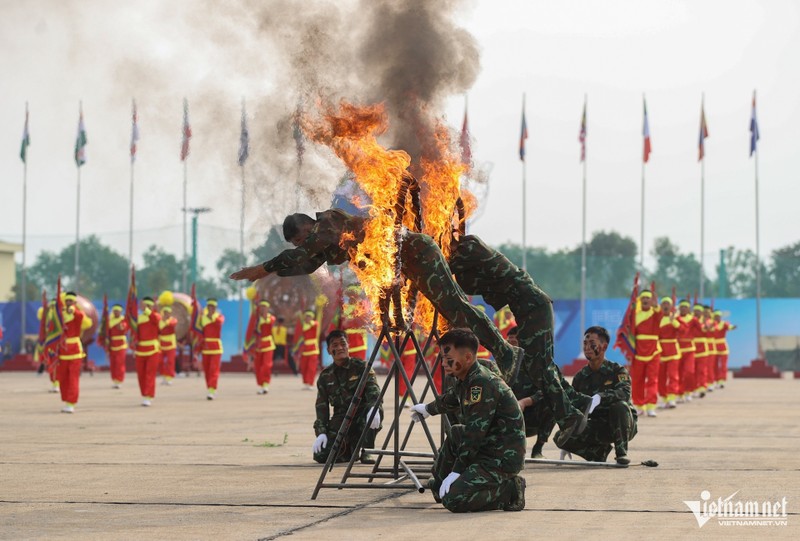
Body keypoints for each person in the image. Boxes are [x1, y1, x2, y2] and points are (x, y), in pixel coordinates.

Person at [228, 209, 524, 385]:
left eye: (301, 238)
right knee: (450, 312)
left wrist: (262, 268)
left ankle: (504, 350)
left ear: (307, 227)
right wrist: (269, 272)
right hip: (401, 266)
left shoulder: (328, 222)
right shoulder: (319, 243)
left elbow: (304, 253)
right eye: (298, 242)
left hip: (414, 252)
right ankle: (502, 351)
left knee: (456, 307)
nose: (303, 244)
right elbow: (305, 263)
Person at [447, 234, 591, 444]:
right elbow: (468, 284)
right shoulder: (473, 258)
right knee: (542, 366)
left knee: (538, 368)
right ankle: (578, 403)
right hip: (528, 311)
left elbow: (457, 269)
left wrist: (439, 260)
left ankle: (570, 417)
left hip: (533, 308)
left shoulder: (471, 246)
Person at [409, 329, 526, 513]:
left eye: (448, 359)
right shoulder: (465, 378)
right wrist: (427, 410)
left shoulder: (481, 384)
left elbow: (474, 434)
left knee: (454, 500)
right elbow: (451, 399)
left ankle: (510, 489)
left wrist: (457, 470)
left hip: (501, 455)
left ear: (468, 357)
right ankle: (442, 483)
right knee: (456, 433)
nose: (443, 363)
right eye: (442, 358)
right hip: (489, 444)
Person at [556, 327, 637, 465]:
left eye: (592, 343)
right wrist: (568, 436)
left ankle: (621, 452)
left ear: (604, 346)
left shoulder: (617, 371)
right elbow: (574, 406)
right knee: (560, 437)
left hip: (622, 424)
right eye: (585, 343)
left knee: (620, 406)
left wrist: (600, 397)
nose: (587, 347)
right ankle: (599, 453)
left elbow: (625, 393)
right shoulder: (581, 377)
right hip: (597, 425)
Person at [312, 330, 382, 465]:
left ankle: (366, 450)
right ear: (328, 350)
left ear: (348, 346)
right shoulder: (325, 376)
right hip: (341, 419)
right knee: (321, 455)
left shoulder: (362, 367)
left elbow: (374, 391)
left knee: (374, 410)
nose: (339, 348)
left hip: (362, 415)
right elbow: (321, 407)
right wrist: (321, 433)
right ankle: (352, 449)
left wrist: (374, 407)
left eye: (343, 344)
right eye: (335, 345)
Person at [508, 326, 555, 459]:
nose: (511, 347)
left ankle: (538, 448)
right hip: (508, 415)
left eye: (515, 342)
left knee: (551, 401)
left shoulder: (535, 364)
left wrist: (525, 401)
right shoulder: (503, 365)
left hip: (531, 416)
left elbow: (545, 390)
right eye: (509, 342)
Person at [57, 292, 92, 413]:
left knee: (73, 378)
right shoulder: (61, 315)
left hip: (75, 351)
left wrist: (73, 310)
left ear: (75, 303)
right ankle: (66, 400)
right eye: (67, 301)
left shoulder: (78, 314)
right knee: (63, 377)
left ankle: (71, 403)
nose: (68, 303)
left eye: (71, 301)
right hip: (63, 350)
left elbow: (80, 316)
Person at [631, 291, 661, 416]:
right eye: (643, 298)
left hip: (654, 350)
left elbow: (661, 313)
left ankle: (651, 406)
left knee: (652, 380)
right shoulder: (635, 315)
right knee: (637, 380)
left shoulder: (655, 313)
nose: (645, 300)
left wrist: (656, 305)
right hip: (638, 351)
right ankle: (639, 405)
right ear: (640, 300)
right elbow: (630, 333)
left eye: (648, 298)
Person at [130, 297, 161, 407]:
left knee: (150, 374)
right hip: (140, 350)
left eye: (149, 306)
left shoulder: (155, 316)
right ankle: (144, 394)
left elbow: (156, 320)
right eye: (145, 306)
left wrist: (147, 310)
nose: (146, 308)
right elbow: (134, 332)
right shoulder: (139, 318)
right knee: (141, 375)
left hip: (153, 349)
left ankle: (148, 396)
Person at [245, 300, 276, 394]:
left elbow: (269, 323)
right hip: (258, 346)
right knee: (258, 367)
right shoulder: (256, 320)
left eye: (265, 307)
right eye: (261, 307)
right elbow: (251, 330)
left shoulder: (271, 318)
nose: (263, 309)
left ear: (268, 308)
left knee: (266, 365)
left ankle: (266, 384)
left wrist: (262, 316)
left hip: (268, 345)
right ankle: (261, 385)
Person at [198, 298, 225, 400]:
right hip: (206, 348)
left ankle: (212, 389)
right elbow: (199, 333)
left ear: (215, 308)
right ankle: (210, 387)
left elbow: (219, 322)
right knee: (207, 370)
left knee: (214, 369)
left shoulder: (219, 317)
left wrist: (211, 317)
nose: (211, 309)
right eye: (209, 307)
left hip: (216, 348)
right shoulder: (202, 319)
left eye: (213, 307)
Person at [656, 297, 681, 409]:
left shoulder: (675, 317)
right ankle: (664, 398)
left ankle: (671, 399)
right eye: (664, 303)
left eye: (668, 304)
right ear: (661, 306)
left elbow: (684, 330)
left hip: (673, 351)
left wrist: (673, 320)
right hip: (660, 350)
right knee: (661, 377)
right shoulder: (656, 318)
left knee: (672, 375)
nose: (665, 305)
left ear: (671, 307)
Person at [676, 300, 699, 402]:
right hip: (677, 349)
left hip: (690, 349)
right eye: (682, 306)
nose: (684, 308)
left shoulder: (693, 319)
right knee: (679, 372)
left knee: (689, 372)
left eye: (686, 307)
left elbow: (702, 329)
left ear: (689, 309)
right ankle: (680, 393)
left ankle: (688, 391)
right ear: (679, 308)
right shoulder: (676, 318)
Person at [298, 309, 321, 390]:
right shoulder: (304, 325)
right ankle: (306, 382)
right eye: (306, 317)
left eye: (309, 317)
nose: (308, 318)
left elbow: (314, 324)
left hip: (313, 349)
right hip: (305, 349)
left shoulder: (315, 323)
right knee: (304, 367)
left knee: (311, 367)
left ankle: (311, 382)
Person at [107, 304, 129, 389]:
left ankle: (119, 380)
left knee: (120, 363)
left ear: (120, 312)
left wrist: (120, 323)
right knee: (113, 364)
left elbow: (122, 328)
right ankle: (114, 379)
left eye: (118, 311)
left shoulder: (123, 320)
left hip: (121, 345)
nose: (116, 312)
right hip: (112, 344)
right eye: (114, 311)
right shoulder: (110, 321)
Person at [712, 310, 736, 387]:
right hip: (713, 346)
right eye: (716, 316)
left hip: (722, 346)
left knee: (723, 365)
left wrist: (733, 327)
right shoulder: (711, 324)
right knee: (714, 365)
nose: (717, 318)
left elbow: (729, 327)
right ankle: (715, 379)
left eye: (718, 316)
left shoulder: (724, 323)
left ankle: (721, 380)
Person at [158, 306, 178, 385]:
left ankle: (169, 377)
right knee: (160, 361)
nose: (166, 314)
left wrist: (165, 321)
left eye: (168, 313)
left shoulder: (173, 320)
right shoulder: (159, 321)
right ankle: (164, 376)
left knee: (170, 361)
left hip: (171, 344)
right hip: (161, 343)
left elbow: (172, 324)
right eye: (165, 312)